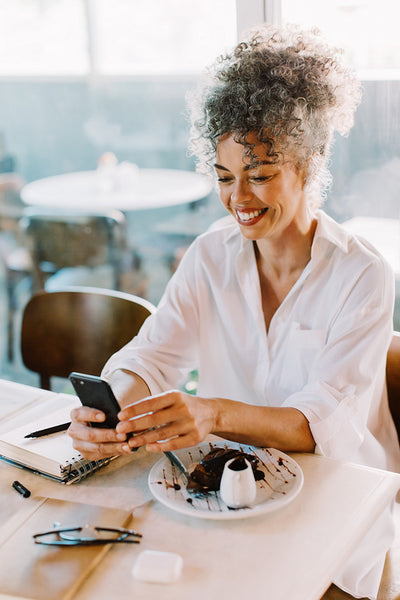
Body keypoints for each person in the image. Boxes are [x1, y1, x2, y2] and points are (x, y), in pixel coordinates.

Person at [69, 24, 400, 600]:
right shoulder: (210, 256)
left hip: (339, 500)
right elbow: (154, 353)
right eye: (225, 177)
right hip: (221, 493)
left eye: (261, 176)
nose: (239, 199)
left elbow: (317, 422)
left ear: (309, 164)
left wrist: (213, 413)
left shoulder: (362, 275)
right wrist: (114, 405)